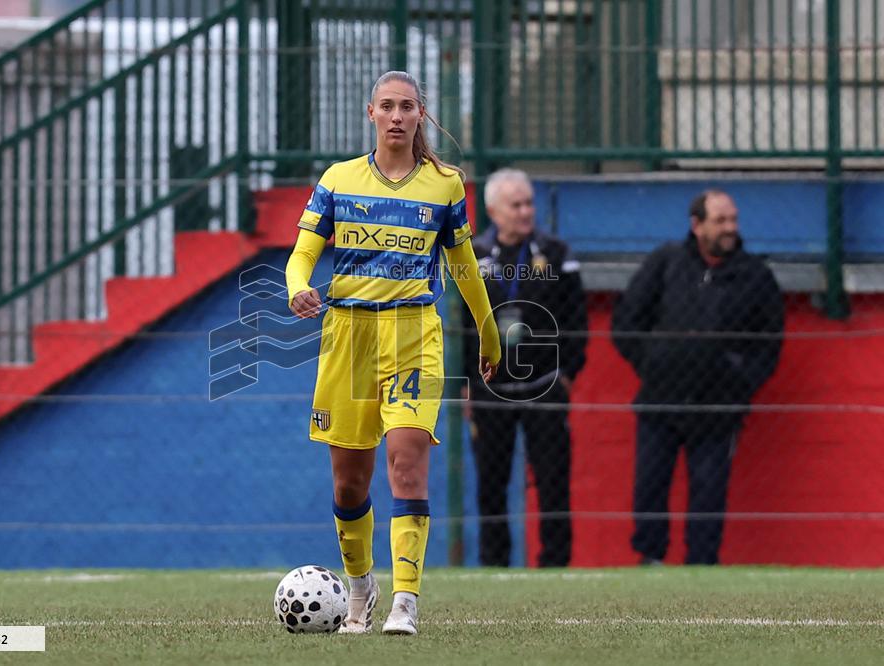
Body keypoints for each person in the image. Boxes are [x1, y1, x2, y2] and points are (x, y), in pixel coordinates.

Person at [284, 71, 501, 635]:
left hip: (413, 335)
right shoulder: (338, 179)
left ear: (420, 114)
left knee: (406, 463)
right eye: (387, 106)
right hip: (349, 338)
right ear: (371, 113)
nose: (397, 116)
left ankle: (405, 600)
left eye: (407, 106)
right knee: (349, 484)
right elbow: (302, 254)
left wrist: (487, 330)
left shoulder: (445, 184)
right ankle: (360, 590)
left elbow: (463, 265)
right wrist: (297, 286)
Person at [611, 189, 784, 565]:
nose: (730, 228)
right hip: (661, 399)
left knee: (709, 491)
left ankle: (702, 567)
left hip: (718, 407)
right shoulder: (665, 263)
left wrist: (739, 383)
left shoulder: (755, 276)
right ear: (697, 225)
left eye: (733, 220)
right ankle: (650, 560)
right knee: (650, 484)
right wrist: (654, 364)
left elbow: (769, 345)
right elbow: (626, 322)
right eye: (720, 221)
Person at [464, 169, 588, 567]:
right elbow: (463, 324)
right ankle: (494, 565)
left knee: (553, 480)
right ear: (493, 210)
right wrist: (467, 382)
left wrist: (568, 373)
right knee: (491, 483)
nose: (525, 212)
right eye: (516, 205)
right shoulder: (474, 256)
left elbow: (576, 319)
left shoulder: (555, 254)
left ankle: (556, 564)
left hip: (545, 385)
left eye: (529, 203)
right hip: (491, 390)